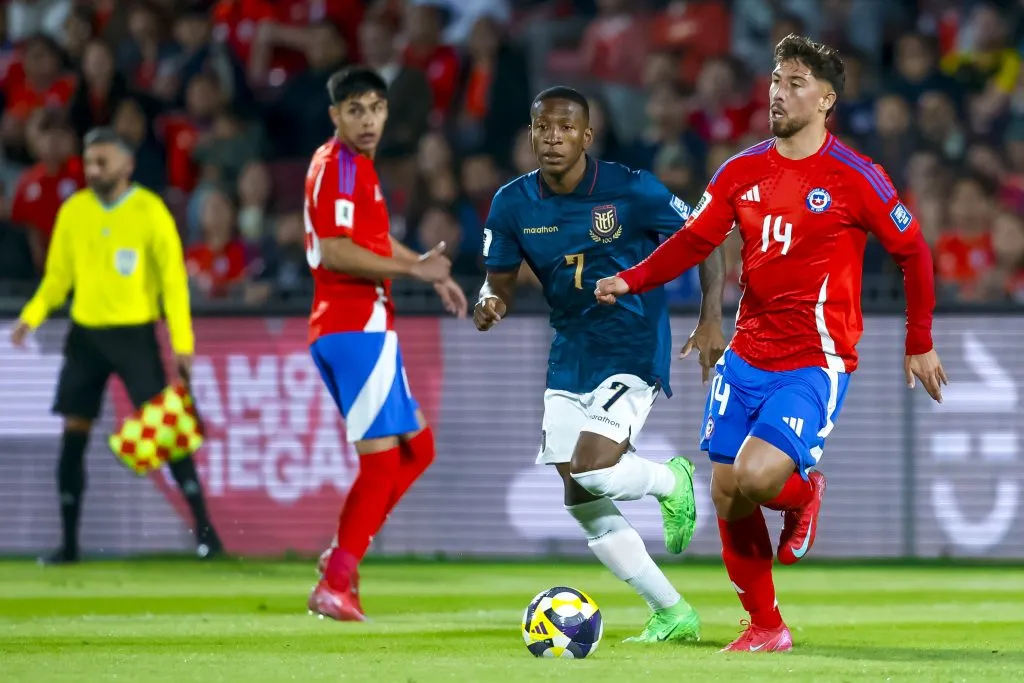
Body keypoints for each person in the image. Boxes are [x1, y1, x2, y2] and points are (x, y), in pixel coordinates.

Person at [595, 35, 948, 653]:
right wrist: (634, 276)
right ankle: (766, 626)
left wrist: (919, 340)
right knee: (726, 489)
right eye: (774, 83)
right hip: (747, 353)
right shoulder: (740, 169)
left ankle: (805, 490)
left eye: (794, 84)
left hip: (815, 358)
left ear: (827, 99)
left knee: (759, 477)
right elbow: (695, 240)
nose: (778, 95)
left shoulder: (856, 176)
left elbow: (913, 252)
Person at [473, 86, 727, 644]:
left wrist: (712, 317)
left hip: (632, 339)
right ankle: (672, 611)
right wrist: (489, 301)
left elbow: (707, 239)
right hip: (570, 347)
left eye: (566, 129)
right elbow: (499, 280)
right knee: (578, 495)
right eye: (543, 128)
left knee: (592, 467)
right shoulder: (512, 203)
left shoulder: (630, 189)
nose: (553, 138)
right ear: (531, 133)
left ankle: (670, 478)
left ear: (587, 136)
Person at [10, 127, 222, 564]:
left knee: (168, 433)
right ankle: (69, 546)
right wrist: (30, 318)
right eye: (89, 162)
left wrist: (182, 342)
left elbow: (173, 284)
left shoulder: (150, 211)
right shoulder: (74, 211)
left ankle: (207, 536)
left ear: (127, 165)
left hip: (134, 336)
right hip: (85, 336)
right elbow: (57, 278)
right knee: (73, 435)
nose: (93, 170)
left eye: (102, 161)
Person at [304, 66, 468, 621]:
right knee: (379, 465)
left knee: (416, 449)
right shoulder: (340, 166)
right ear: (335, 116)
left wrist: (422, 265)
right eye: (355, 109)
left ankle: (343, 557)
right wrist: (417, 275)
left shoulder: (356, 167)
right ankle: (337, 576)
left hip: (358, 328)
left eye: (376, 107)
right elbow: (336, 251)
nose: (368, 118)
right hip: (354, 327)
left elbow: (370, 240)